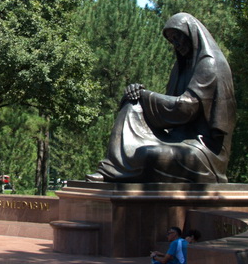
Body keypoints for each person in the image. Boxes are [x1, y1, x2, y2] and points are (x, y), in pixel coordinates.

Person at [88, 13, 236, 184]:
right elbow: (169, 113)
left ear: (192, 33)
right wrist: (138, 96)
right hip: (177, 139)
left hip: (203, 150)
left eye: (178, 37)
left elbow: (184, 109)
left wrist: (145, 95)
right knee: (132, 103)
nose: (176, 44)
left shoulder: (209, 63)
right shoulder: (181, 67)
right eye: (172, 40)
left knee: (149, 155)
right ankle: (111, 168)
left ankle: (119, 172)